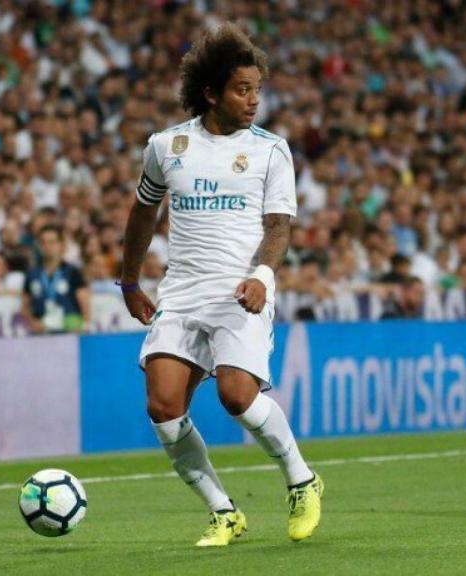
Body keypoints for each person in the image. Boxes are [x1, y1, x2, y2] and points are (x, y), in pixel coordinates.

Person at [118, 25, 321, 547]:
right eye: (241, 90)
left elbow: (279, 228)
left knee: (236, 396)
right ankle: (223, 511)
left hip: (241, 290)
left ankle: (301, 479)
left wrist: (262, 275)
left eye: (257, 89)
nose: (254, 100)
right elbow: (144, 211)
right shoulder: (167, 146)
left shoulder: (272, 151)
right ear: (211, 92)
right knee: (163, 406)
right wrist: (130, 279)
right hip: (182, 292)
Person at [22, 225, 90, 333]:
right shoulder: (32, 274)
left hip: (70, 331)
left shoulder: (73, 272)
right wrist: (31, 322)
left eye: (52, 242)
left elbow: (85, 304)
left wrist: (83, 325)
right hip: (42, 332)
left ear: (61, 245)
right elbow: (25, 306)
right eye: (43, 242)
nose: (47, 246)